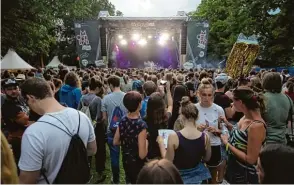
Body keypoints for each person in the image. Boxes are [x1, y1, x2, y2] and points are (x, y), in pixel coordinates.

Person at [18, 78, 97, 184]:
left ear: (30, 98)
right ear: (50, 91)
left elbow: (27, 179)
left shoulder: (33, 132)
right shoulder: (81, 116)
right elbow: (92, 150)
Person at [159, 96, 211, 184]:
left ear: (181, 116)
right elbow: (207, 158)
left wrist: (161, 143)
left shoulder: (174, 136)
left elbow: (167, 162)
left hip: (180, 178)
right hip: (198, 179)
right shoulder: (205, 137)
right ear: (197, 116)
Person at [220, 87, 266, 184]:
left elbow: (250, 159)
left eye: (233, 101)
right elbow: (242, 135)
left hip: (245, 176)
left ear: (240, 102)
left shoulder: (256, 126)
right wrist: (228, 125)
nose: (231, 104)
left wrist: (227, 144)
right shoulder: (245, 116)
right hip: (233, 170)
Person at [195, 79, 228, 184]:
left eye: (210, 95)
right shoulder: (194, 108)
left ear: (213, 95)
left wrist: (217, 131)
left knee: (213, 175)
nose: (207, 98)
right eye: (204, 94)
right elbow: (186, 128)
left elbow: (224, 131)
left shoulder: (218, 109)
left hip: (214, 145)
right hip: (197, 144)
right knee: (198, 176)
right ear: (199, 94)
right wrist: (196, 129)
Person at [113, 91, 148, 184]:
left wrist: (127, 141)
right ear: (139, 104)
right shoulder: (141, 125)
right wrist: (146, 143)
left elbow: (115, 141)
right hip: (138, 163)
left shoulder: (123, 119)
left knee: (128, 179)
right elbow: (142, 154)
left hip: (126, 159)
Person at [78, 77, 106, 183]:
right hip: (97, 127)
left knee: (86, 149)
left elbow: (78, 111)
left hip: (84, 127)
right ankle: (100, 170)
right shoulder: (98, 99)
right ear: (97, 88)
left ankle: (87, 170)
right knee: (99, 150)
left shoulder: (82, 98)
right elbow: (100, 117)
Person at [101, 75, 126, 184]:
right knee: (126, 155)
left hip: (111, 130)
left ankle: (115, 180)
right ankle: (128, 179)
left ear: (110, 85)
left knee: (114, 157)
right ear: (119, 84)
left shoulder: (105, 98)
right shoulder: (126, 96)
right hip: (125, 129)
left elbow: (104, 118)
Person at [1, 78, 30, 169]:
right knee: (23, 166)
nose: (13, 91)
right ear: (4, 91)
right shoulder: (8, 106)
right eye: (9, 89)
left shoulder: (20, 100)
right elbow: (26, 122)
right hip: (19, 140)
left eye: (15, 88)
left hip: (27, 137)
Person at [262, 72, 293, 144]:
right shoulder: (287, 98)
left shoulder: (262, 98)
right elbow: (290, 117)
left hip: (266, 141)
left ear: (264, 82)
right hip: (282, 140)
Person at [145, 82, 173, 160]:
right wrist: (168, 90)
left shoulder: (145, 120)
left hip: (150, 153)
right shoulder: (166, 117)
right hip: (163, 150)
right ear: (163, 105)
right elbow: (170, 105)